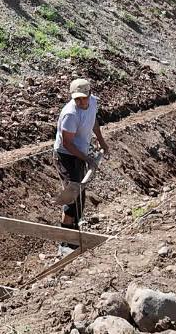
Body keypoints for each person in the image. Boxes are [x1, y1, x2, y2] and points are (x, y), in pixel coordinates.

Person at [52, 78, 109, 251]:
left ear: (90, 94)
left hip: (80, 154)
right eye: (77, 98)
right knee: (72, 197)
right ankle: (65, 243)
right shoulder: (70, 114)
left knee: (80, 197)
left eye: (84, 97)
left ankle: (74, 236)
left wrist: (101, 141)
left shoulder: (93, 102)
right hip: (66, 156)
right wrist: (87, 158)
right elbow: (68, 144)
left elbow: (93, 121)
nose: (81, 101)